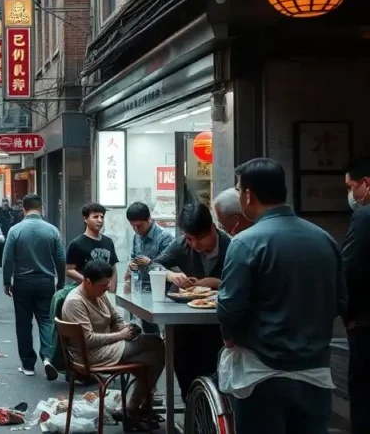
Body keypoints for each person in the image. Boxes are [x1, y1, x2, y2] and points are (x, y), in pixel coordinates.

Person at [218, 158, 345, 433]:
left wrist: (229, 336)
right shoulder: (324, 239)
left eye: (239, 191)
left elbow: (230, 307)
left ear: (248, 195)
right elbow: (339, 301)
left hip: (262, 373)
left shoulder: (245, 242)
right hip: (315, 370)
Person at [62, 260, 164, 430]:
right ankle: (135, 405)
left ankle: (135, 405)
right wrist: (120, 335)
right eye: (103, 285)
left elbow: (115, 318)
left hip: (106, 346)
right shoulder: (75, 302)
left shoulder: (99, 295)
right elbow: (88, 340)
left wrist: (126, 328)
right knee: (156, 348)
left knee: (154, 353)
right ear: (88, 282)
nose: (107, 288)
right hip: (91, 354)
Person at [148, 203, 230, 401]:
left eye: (199, 238)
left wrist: (218, 283)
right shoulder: (181, 245)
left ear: (212, 228)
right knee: (186, 374)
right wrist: (169, 275)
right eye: (189, 238)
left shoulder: (232, 246)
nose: (194, 244)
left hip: (220, 327)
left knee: (217, 380)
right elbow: (154, 264)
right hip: (186, 325)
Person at [2, 193, 64, 379]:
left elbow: (7, 260)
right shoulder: (52, 230)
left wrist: (7, 281)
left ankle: (28, 364)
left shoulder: (15, 230)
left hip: (22, 283)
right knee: (46, 320)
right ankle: (47, 358)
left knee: (23, 322)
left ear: (24, 209)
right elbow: (60, 258)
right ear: (41, 208)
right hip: (46, 282)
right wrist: (60, 281)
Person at [343, 158, 370, 434]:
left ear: (367, 183)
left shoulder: (364, 216)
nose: (350, 195)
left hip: (366, 321)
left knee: (363, 392)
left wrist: (347, 314)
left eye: (351, 187)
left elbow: (349, 268)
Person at [124, 202, 173, 334]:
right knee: (148, 332)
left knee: (163, 332)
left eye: (139, 225)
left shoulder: (164, 237)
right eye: (133, 226)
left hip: (161, 293)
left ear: (149, 219)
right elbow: (134, 257)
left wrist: (150, 263)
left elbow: (170, 267)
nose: (136, 229)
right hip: (141, 291)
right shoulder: (136, 237)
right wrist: (132, 265)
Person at [66, 203, 118, 291]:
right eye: (95, 217)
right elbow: (69, 270)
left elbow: (113, 268)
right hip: (85, 291)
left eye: (102, 217)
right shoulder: (77, 243)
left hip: (105, 292)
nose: (100, 220)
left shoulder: (108, 242)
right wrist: (87, 282)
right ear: (85, 219)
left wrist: (112, 291)